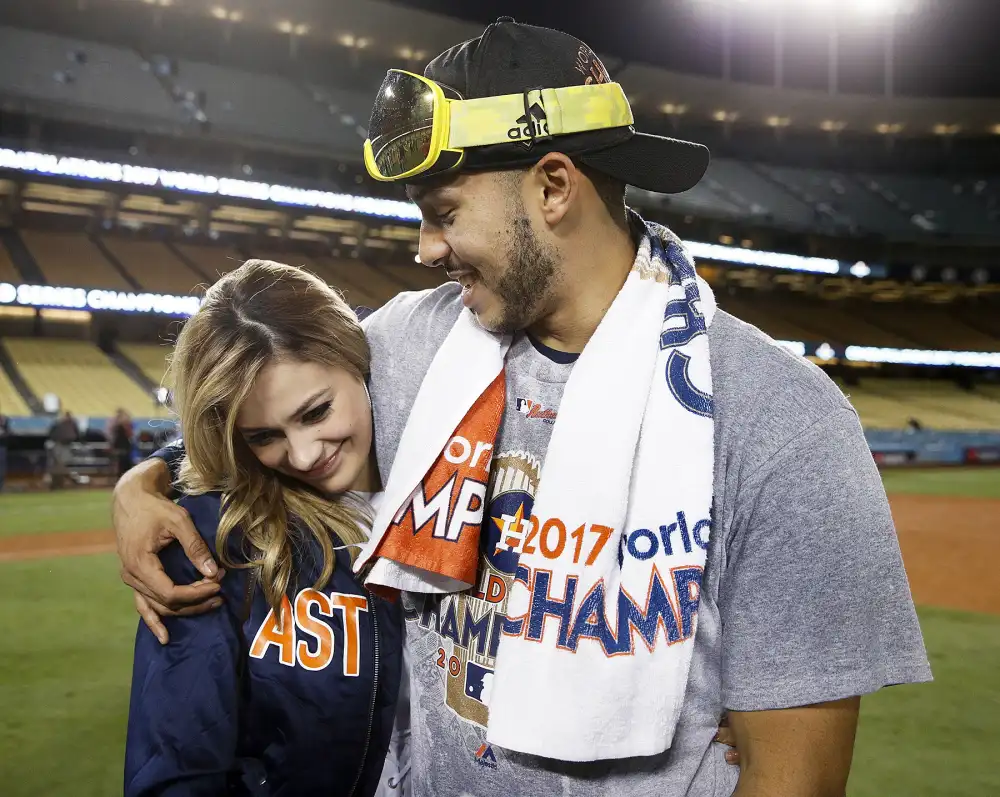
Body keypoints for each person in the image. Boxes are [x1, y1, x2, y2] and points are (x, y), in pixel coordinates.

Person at [115, 18, 930, 797]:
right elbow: (256, 396)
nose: (425, 249)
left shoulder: (782, 421)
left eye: (444, 213)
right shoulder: (410, 345)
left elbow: (799, 776)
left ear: (552, 186)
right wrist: (142, 487)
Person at [123, 261, 404, 796]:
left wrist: (140, 478)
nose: (301, 456)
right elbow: (178, 762)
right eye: (262, 436)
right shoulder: (211, 534)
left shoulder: (459, 470)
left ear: (357, 358)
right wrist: (147, 480)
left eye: (317, 412)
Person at [48, 410, 79, 489]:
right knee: (58, 465)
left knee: (61, 465)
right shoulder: (60, 424)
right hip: (60, 445)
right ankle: (59, 482)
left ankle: (59, 483)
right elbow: (52, 434)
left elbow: (76, 434)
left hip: (65, 446)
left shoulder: (71, 424)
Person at [108, 408, 135, 478]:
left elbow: (130, 434)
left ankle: (123, 479)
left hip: (124, 447)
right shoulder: (118, 427)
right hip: (121, 447)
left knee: (124, 465)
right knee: (121, 465)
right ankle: (121, 479)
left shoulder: (122, 426)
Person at [0, 405, 10, 492]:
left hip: (1, 447)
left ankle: (1, 486)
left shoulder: (4, 419)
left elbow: (8, 432)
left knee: (1, 468)